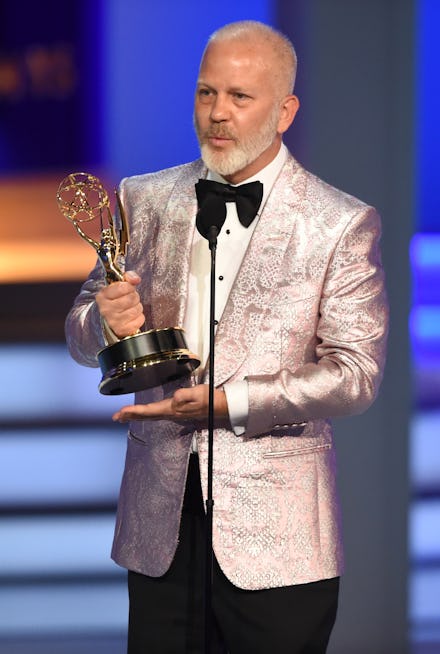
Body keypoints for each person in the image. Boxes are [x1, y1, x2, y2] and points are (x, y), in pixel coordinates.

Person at [65, 20, 388, 654]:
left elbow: (356, 375)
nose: (217, 114)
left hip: (280, 541)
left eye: (240, 97)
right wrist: (106, 321)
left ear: (285, 110)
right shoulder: (145, 198)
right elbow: (80, 336)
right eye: (206, 93)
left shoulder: (339, 223)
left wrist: (228, 403)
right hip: (161, 528)